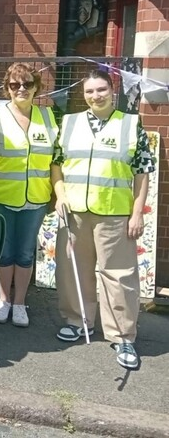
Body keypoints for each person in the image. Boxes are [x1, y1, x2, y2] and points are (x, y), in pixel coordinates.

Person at [51, 69, 153, 370]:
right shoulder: (68, 123)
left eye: (101, 90)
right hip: (75, 212)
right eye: (90, 92)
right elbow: (56, 164)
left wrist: (137, 213)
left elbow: (142, 172)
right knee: (72, 270)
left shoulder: (131, 124)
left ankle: (122, 335)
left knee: (118, 275)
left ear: (113, 90)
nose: (96, 96)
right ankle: (76, 320)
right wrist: (60, 195)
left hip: (114, 214)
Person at [0, 64, 58, 327]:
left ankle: (20, 303)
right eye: (15, 85)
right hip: (0, 196)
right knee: (4, 252)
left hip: (36, 198)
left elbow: (56, 160)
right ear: (6, 89)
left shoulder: (49, 117)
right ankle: (4, 300)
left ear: (37, 88)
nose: (21, 89)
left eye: (27, 84)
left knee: (26, 253)